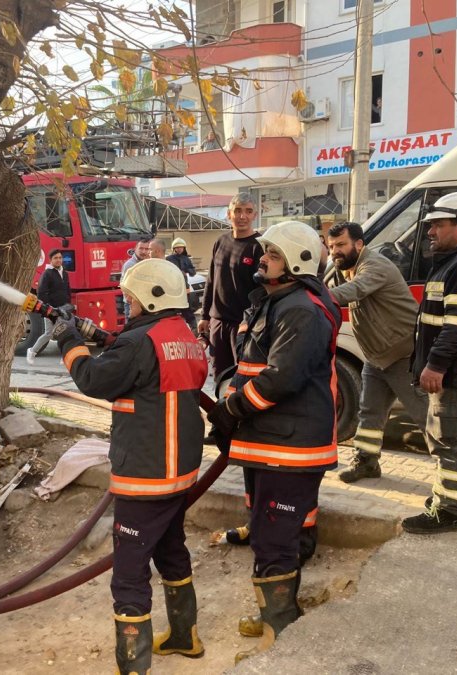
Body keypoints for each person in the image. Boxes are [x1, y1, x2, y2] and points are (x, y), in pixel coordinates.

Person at [52, 258, 209, 674]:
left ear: (153, 298)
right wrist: (100, 337)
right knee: (171, 551)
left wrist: (69, 340)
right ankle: (185, 637)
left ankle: (134, 667)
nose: (127, 305)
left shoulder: (139, 343)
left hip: (145, 474)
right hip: (179, 473)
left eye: (131, 299)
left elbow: (93, 379)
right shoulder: (183, 334)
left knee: (129, 574)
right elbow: (144, 368)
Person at [206, 221, 340, 663]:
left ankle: (280, 633)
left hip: (290, 447)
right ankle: (275, 615)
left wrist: (232, 410)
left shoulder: (301, 310)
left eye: (274, 254)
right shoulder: (276, 300)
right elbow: (253, 366)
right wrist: (230, 402)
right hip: (271, 441)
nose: (262, 258)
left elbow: (281, 378)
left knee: (275, 542)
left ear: (298, 262)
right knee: (267, 534)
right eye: (265, 252)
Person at [402, 192, 457, 534]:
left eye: (438, 224)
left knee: (448, 441)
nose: (430, 231)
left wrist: (436, 365)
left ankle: (448, 511)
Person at [326, 222, 429, 483]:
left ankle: (452, 474)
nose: (335, 251)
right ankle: (367, 463)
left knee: (427, 417)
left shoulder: (374, 265)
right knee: (370, 412)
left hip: (403, 355)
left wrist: (312, 296)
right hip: (377, 357)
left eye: (341, 245)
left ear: (359, 244)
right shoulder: (348, 269)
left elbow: (353, 291)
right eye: (331, 246)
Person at [198, 192, 263, 380]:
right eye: (238, 211)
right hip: (217, 322)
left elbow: (262, 290)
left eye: (248, 211)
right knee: (220, 376)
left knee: (242, 376)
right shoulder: (221, 242)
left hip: (243, 324)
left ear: (255, 215)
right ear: (229, 214)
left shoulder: (258, 246)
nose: (242, 216)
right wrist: (204, 316)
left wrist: (254, 323)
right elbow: (212, 280)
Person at [25, 248, 70, 365]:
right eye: (56, 258)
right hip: (51, 310)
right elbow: (41, 293)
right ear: (50, 260)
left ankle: (64, 356)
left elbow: (67, 290)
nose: (58, 260)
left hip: (63, 309)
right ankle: (32, 351)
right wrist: (49, 309)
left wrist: (68, 304)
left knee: (63, 331)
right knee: (49, 334)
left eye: (60, 258)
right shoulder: (47, 274)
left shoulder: (64, 273)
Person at [167, 237, 199, 323]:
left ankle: (193, 326)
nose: (179, 249)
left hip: (184, 287)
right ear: (173, 248)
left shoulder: (186, 259)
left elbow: (193, 272)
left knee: (186, 307)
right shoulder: (168, 259)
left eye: (181, 247)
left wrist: (186, 271)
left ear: (184, 248)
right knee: (172, 308)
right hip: (172, 287)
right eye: (177, 247)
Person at [121, 237, 152, 319]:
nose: (143, 251)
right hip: (132, 305)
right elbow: (125, 287)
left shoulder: (149, 263)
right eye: (141, 248)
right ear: (135, 249)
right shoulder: (130, 265)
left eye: (146, 249)